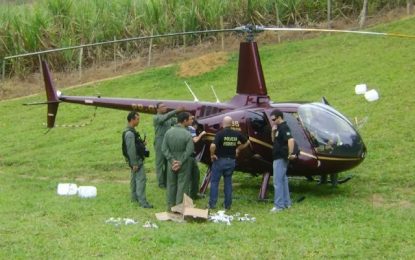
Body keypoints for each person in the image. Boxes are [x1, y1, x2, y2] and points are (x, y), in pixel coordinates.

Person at [209, 116, 250, 210]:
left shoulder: (220, 134)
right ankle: (227, 205)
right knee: (228, 183)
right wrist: (238, 149)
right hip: (231, 161)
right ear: (231, 124)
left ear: (223, 124)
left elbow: (212, 145)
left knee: (215, 182)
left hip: (220, 161)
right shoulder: (236, 133)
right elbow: (247, 142)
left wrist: (212, 155)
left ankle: (212, 205)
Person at [162, 112, 194, 211]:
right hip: (183, 163)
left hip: (171, 162)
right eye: (190, 119)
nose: (191, 121)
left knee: (171, 184)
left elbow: (164, 148)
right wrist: (180, 162)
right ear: (184, 121)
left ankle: (170, 206)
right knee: (182, 185)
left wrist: (172, 161)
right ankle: (179, 207)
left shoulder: (168, 132)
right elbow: (189, 150)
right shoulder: (187, 134)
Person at [122, 111, 153, 208]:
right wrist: (134, 163)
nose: (139, 121)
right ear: (132, 120)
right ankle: (143, 202)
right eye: (137, 119)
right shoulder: (130, 134)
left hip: (133, 160)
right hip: (136, 160)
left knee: (134, 179)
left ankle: (134, 198)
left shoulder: (131, 132)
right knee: (141, 180)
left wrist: (142, 145)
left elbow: (134, 146)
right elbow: (131, 149)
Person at [270, 109, 296, 212]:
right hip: (278, 157)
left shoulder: (284, 127)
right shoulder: (278, 128)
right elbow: (273, 141)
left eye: (274, 119)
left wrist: (290, 153)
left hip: (280, 157)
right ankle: (286, 203)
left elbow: (291, 140)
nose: (272, 121)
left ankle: (279, 206)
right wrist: (273, 131)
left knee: (277, 182)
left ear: (279, 117)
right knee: (283, 180)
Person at [153, 103, 184, 188]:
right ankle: (161, 183)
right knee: (160, 163)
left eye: (165, 106)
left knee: (168, 162)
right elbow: (164, 118)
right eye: (162, 107)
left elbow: (178, 121)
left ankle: (167, 181)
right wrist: (176, 111)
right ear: (157, 109)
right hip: (159, 141)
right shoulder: (157, 117)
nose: (165, 108)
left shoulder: (168, 118)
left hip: (168, 142)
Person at [187, 116, 206, 200]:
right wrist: (201, 134)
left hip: (184, 155)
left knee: (194, 174)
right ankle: (192, 195)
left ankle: (192, 194)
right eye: (191, 119)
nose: (193, 120)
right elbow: (195, 140)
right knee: (194, 175)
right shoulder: (191, 128)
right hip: (190, 156)